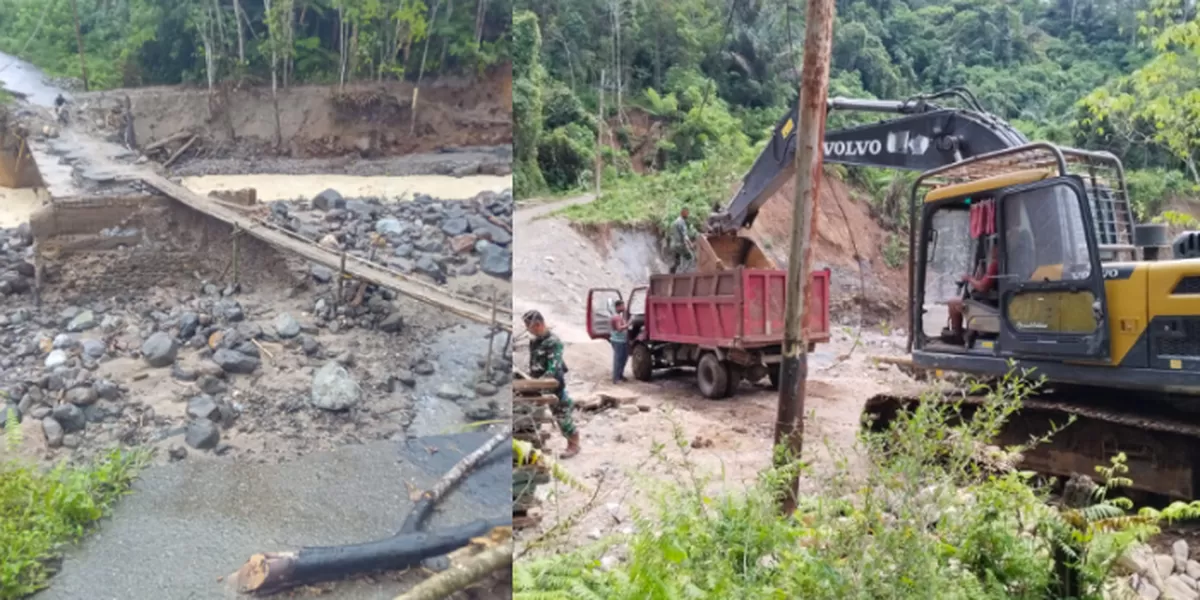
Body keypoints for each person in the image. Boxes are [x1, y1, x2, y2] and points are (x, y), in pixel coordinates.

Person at [523, 309, 580, 458]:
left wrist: (538, 384)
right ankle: (534, 445)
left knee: (562, 415)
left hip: (553, 385)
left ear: (538, 324)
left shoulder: (554, 342)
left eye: (530, 327)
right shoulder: (535, 342)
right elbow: (533, 364)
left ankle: (574, 444)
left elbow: (553, 369)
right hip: (536, 385)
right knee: (532, 416)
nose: (529, 331)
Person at [946, 243, 999, 340]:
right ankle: (968, 332)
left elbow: (983, 287)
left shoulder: (996, 264)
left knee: (952, 302)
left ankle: (956, 335)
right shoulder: (1007, 263)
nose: (991, 251)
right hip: (995, 300)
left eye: (993, 248)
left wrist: (968, 278)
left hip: (991, 303)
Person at [668, 207, 695, 273]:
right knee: (690, 258)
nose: (688, 215)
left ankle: (672, 272)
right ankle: (683, 273)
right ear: (683, 214)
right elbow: (685, 236)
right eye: (687, 214)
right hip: (680, 245)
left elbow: (672, 234)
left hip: (673, 245)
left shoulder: (675, 222)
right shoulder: (682, 222)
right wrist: (690, 244)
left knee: (678, 261)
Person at [609, 300, 630, 384]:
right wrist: (629, 324)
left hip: (621, 340)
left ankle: (620, 375)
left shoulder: (619, 316)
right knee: (618, 359)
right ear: (617, 307)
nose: (624, 307)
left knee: (623, 358)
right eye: (622, 306)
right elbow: (619, 328)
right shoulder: (616, 317)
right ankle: (616, 378)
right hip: (618, 341)